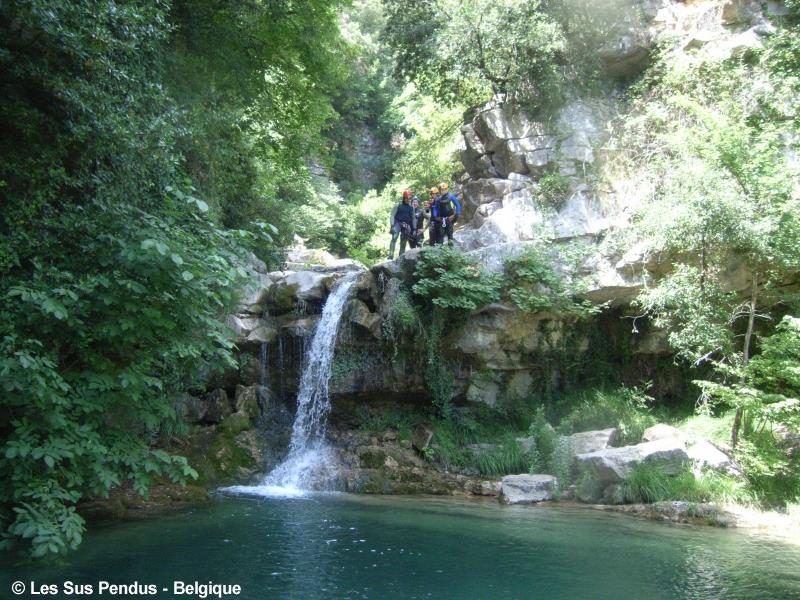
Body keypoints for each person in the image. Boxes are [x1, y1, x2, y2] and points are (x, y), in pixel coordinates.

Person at [432, 181, 461, 246]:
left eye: (445, 189)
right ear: (440, 190)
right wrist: (435, 216)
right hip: (441, 219)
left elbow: (457, 205)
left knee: (450, 235)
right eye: (442, 190)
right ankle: (441, 251)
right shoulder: (438, 199)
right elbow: (435, 208)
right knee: (440, 236)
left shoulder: (451, 196)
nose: (444, 191)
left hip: (450, 218)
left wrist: (456, 214)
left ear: (447, 189)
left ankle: (451, 250)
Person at [387, 190, 415, 259]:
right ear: (404, 198)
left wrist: (413, 228)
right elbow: (392, 215)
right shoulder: (398, 205)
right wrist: (392, 225)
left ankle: (401, 256)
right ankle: (391, 255)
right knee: (394, 237)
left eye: (409, 199)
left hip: (406, 225)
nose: (408, 200)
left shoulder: (411, 208)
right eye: (406, 198)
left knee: (403, 242)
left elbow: (413, 218)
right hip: (397, 223)